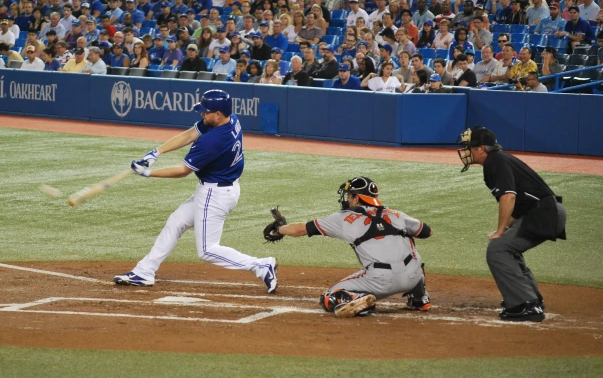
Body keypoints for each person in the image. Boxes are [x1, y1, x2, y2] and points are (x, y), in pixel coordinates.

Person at [115, 90, 278, 293]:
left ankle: (261, 266)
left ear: (217, 113)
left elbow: (183, 171)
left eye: (206, 112)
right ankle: (145, 271)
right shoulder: (230, 118)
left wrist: (148, 173)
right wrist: (156, 152)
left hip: (215, 194)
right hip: (220, 188)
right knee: (176, 222)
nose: (202, 114)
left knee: (208, 250)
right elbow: (191, 133)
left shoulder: (215, 140)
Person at [272, 176, 433, 318]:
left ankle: (358, 301)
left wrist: (278, 229)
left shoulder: (343, 219)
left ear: (357, 198)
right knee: (410, 249)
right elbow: (427, 231)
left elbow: (301, 229)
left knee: (330, 298)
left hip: (381, 281)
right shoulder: (397, 214)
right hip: (413, 276)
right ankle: (420, 298)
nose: (347, 199)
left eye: (349, 196)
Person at [457, 127, 567, 322]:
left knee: (498, 249)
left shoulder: (495, 161)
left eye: (468, 147)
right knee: (506, 247)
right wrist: (506, 228)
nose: (465, 151)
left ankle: (526, 304)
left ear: (481, 148)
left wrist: (500, 231)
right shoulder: (498, 160)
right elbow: (521, 203)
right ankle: (531, 298)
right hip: (544, 211)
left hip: (544, 213)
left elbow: (508, 196)